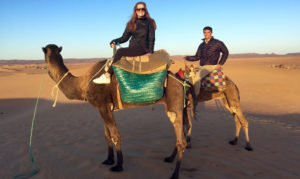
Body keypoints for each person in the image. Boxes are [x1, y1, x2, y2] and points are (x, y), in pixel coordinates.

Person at [93, 1, 156, 84]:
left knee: (120, 52)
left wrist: (150, 51)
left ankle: (107, 75)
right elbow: (124, 38)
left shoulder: (150, 22)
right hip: (133, 47)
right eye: (138, 9)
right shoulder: (131, 23)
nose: (140, 11)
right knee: (119, 54)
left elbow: (152, 38)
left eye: (142, 9)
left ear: (145, 10)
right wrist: (114, 41)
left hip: (143, 48)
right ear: (135, 11)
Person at [184, 26, 229, 94]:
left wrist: (220, 64)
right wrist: (187, 57)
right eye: (205, 33)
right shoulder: (201, 45)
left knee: (196, 78)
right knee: (188, 75)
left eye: (208, 32)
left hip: (211, 65)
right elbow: (197, 57)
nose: (206, 34)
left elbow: (226, 52)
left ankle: (195, 97)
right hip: (202, 66)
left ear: (211, 33)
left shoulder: (218, 43)